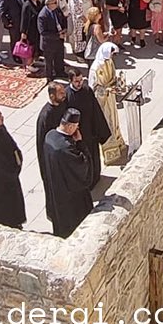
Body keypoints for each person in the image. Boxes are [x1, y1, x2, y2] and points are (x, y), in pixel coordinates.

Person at [42, 107, 95, 238]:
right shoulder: (66, 149)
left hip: (55, 191)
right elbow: (83, 166)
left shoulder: (50, 136)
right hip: (70, 198)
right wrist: (80, 143)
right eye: (76, 126)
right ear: (71, 126)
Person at [65, 68, 112, 183]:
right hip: (78, 134)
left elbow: (95, 110)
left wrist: (100, 130)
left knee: (93, 156)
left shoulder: (87, 90)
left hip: (90, 132)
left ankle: (96, 176)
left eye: (81, 80)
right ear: (70, 81)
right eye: (76, 81)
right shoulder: (67, 95)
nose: (80, 83)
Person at [87, 42, 127, 167]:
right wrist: (107, 90)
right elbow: (93, 88)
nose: (112, 56)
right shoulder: (95, 69)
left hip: (110, 98)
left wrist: (118, 83)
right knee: (106, 123)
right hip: (101, 101)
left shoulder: (109, 62)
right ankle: (110, 153)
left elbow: (113, 77)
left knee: (114, 121)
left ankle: (118, 143)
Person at [35, 81, 69, 216]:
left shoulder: (63, 104)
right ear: (52, 96)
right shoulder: (45, 117)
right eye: (61, 93)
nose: (64, 95)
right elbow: (42, 143)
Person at [38, 0, 68, 79]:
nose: (57, 4)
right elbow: (43, 32)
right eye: (54, 2)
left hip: (59, 39)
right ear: (48, 4)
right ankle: (49, 76)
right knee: (49, 61)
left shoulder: (57, 9)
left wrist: (64, 29)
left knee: (59, 57)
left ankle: (60, 72)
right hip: (49, 42)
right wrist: (58, 35)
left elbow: (63, 19)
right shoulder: (42, 15)